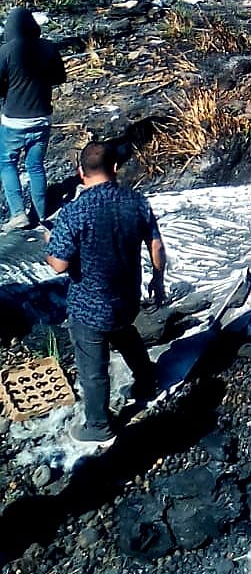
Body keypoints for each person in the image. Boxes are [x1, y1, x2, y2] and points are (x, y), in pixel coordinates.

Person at [46, 140, 167, 445]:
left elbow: (59, 265)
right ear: (115, 168)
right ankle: (146, 380)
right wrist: (158, 279)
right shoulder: (137, 202)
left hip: (89, 305)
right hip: (126, 297)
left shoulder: (74, 212)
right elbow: (157, 245)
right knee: (126, 333)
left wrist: (51, 243)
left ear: (80, 172)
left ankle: (99, 425)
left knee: (93, 366)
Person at [0, 6, 66, 232]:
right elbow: (60, 77)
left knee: (7, 163)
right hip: (42, 117)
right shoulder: (48, 48)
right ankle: (40, 213)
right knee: (35, 165)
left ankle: (18, 213)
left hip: (14, 120)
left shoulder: (6, 51)